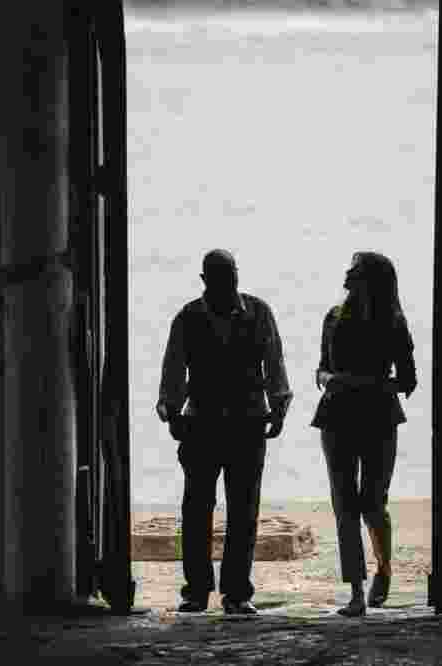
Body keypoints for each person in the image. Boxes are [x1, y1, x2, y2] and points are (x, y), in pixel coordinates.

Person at [156, 249, 293, 615]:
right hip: (203, 424)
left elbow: (274, 363)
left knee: (242, 510)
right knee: (199, 508)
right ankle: (199, 591)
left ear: (236, 275)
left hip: (246, 423)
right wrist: (170, 411)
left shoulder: (259, 312)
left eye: (230, 276)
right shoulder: (188, 318)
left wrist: (279, 406)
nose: (227, 284)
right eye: (219, 277)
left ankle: (234, 592)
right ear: (205, 280)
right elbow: (174, 370)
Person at [311, 251, 417, 617]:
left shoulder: (394, 322)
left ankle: (384, 569)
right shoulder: (333, 317)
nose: (346, 273)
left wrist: (362, 382)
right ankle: (356, 591)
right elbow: (321, 371)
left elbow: (408, 380)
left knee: (373, 503)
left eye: (355, 269)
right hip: (336, 416)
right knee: (345, 506)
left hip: (378, 417)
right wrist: (333, 379)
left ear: (372, 279)